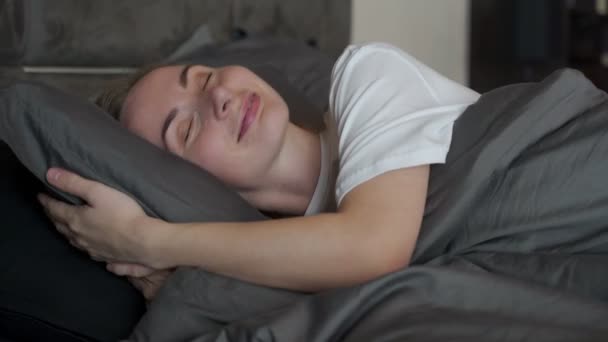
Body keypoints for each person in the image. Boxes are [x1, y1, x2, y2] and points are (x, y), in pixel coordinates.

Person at [37, 43, 480, 299]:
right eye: (188, 129)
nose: (220, 97)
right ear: (185, 182)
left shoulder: (368, 74)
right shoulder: (268, 265)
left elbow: (374, 248)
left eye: (206, 78)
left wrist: (146, 241)